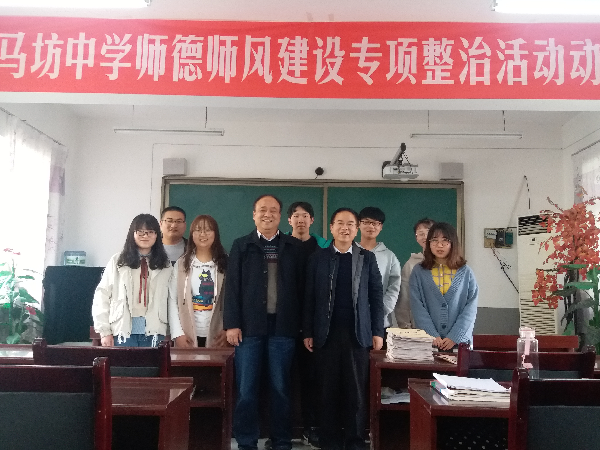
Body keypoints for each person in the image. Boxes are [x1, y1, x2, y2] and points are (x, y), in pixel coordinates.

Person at [224, 194, 305, 450]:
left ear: (280, 216)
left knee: (280, 389)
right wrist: (232, 324)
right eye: (262, 210)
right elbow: (232, 287)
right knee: (246, 390)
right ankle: (246, 443)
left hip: (283, 328)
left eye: (273, 210)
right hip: (248, 329)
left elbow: (303, 289)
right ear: (254, 215)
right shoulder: (241, 245)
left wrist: (303, 327)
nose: (267, 214)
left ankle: (281, 442)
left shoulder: (293, 246)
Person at [304, 208, 384, 450]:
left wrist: (377, 331)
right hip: (325, 334)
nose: (345, 228)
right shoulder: (318, 258)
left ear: (356, 229)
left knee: (356, 392)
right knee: (326, 391)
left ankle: (355, 442)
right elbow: (309, 297)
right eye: (340, 223)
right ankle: (329, 441)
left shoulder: (366, 258)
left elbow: (376, 296)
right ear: (331, 228)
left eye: (350, 224)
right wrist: (308, 331)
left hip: (357, 335)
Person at [92, 213, 172, 347]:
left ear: (157, 235)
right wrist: (104, 331)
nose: (145, 236)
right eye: (140, 232)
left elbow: (172, 299)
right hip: (122, 331)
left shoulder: (165, 264)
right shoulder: (117, 261)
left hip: (155, 332)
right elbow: (102, 296)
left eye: (150, 232)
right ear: (132, 234)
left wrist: (172, 332)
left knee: (152, 362)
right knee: (122, 362)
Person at [287, 200, 329, 448]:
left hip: (314, 325)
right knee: (284, 379)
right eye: (296, 215)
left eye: (305, 216)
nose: (300, 219)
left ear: (312, 220)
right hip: (285, 323)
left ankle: (311, 428)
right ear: (289, 220)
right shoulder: (282, 246)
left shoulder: (323, 248)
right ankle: (283, 432)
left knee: (312, 379)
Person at [410, 222, 478, 350]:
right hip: (429, 342)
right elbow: (417, 306)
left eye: (445, 240)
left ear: (453, 243)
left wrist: (455, 336)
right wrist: (431, 334)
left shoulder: (465, 272)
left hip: (459, 342)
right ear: (429, 243)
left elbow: (471, 308)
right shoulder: (419, 271)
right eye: (434, 240)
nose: (439, 245)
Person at [168, 214, 229, 348]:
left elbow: (235, 299)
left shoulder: (226, 263)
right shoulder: (181, 264)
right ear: (192, 234)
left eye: (208, 230)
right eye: (198, 230)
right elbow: (172, 299)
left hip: (218, 333)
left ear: (215, 234)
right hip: (187, 333)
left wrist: (228, 329)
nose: (203, 234)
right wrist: (177, 333)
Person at [357, 206, 401, 340]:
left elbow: (394, 287)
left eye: (375, 223)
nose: (371, 226)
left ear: (381, 227)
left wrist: (381, 310)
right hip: (352, 321)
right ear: (358, 224)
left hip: (380, 323)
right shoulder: (350, 252)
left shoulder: (389, 256)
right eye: (366, 222)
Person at [395, 218, 435, 328]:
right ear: (416, 238)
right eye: (420, 234)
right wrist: (405, 325)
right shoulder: (411, 264)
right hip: (418, 326)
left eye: (428, 232)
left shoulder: (448, 264)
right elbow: (404, 298)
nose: (425, 236)